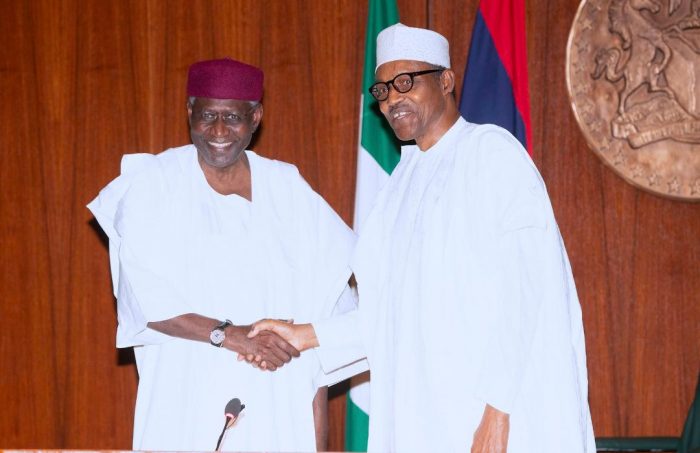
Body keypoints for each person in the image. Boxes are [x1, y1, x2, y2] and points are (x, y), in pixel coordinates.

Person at [248, 24, 596, 452]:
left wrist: (499, 411)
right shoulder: (398, 188)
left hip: (487, 415)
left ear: (446, 81)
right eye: (383, 91)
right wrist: (303, 335)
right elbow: (393, 316)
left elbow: (524, 291)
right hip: (423, 418)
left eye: (406, 83)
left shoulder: (490, 153)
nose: (393, 99)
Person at [88, 58, 361, 452]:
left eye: (232, 117)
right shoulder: (153, 185)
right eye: (207, 116)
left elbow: (326, 318)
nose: (218, 131)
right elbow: (145, 300)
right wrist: (232, 336)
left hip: (279, 409)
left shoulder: (289, 189)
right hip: (184, 404)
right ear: (189, 113)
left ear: (256, 117)